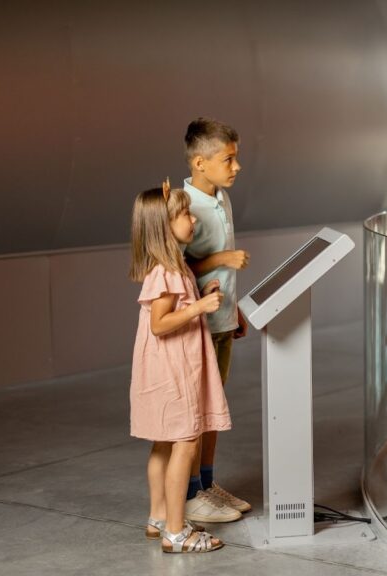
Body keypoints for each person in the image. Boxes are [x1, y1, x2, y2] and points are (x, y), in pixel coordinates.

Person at [129, 184, 230, 553]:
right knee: (186, 443)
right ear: (164, 226)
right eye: (185, 215)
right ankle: (176, 532)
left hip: (165, 368)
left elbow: (172, 310)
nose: (193, 220)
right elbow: (160, 324)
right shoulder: (168, 271)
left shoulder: (172, 267)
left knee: (163, 444)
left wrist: (200, 296)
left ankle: (158, 517)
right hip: (174, 369)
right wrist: (199, 308)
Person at [181, 117, 252, 522]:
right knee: (197, 412)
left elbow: (219, 274)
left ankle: (206, 485)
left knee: (214, 411)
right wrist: (222, 258)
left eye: (235, 157)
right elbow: (174, 269)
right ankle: (190, 493)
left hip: (221, 321)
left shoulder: (221, 198)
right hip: (196, 326)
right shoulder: (183, 206)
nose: (236, 166)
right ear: (199, 163)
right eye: (228, 159)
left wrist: (233, 308)